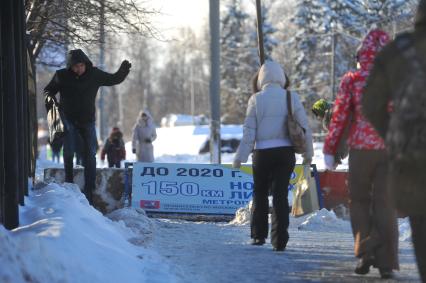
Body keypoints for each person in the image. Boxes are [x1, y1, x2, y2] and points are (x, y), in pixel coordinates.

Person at [323, 29, 398, 279]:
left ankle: (365, 253)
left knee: (359, 202)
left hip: (360, 150)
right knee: (386, 204)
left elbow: (339, 117)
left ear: (362, 54)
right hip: (389, 148)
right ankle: (386, 263)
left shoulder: (352, 80)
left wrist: (330, 149)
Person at [362, 2, 426, 281]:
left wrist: (393, 134)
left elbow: (370, 103)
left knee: (422, 228)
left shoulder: (396, 51)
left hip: (411, 155)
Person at [233, 60, 313, 252]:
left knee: (260, 194)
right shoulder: (290, 97)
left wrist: (239, 157)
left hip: (262, 154)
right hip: (285, 154)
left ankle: (258, 236)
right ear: (282, 78)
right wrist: (308, 155)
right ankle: (280, 241)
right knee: (280, 196)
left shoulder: (256, 99)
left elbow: (249, 133)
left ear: (261, 79)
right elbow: (305, 128)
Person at [44, 49, 131, 205]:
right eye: (75, 66)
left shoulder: (94, 74)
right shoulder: (61, 76)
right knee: (69, 149)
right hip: (68, 118)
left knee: (90, 153)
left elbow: (113, 79)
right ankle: (69, 183)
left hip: (87, 120)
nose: (79, 69)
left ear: (86, 64)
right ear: (70, 66)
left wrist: (123, 71)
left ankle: (89, 189)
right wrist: (52, 100)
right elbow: (48, 90)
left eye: (81, 65)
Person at [312, 98, 349, 165]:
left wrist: (336, 156)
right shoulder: (331, 113)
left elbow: (339, 135)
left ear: (321, 110)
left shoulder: (332, 114)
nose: (318, 117)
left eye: (317, 114)